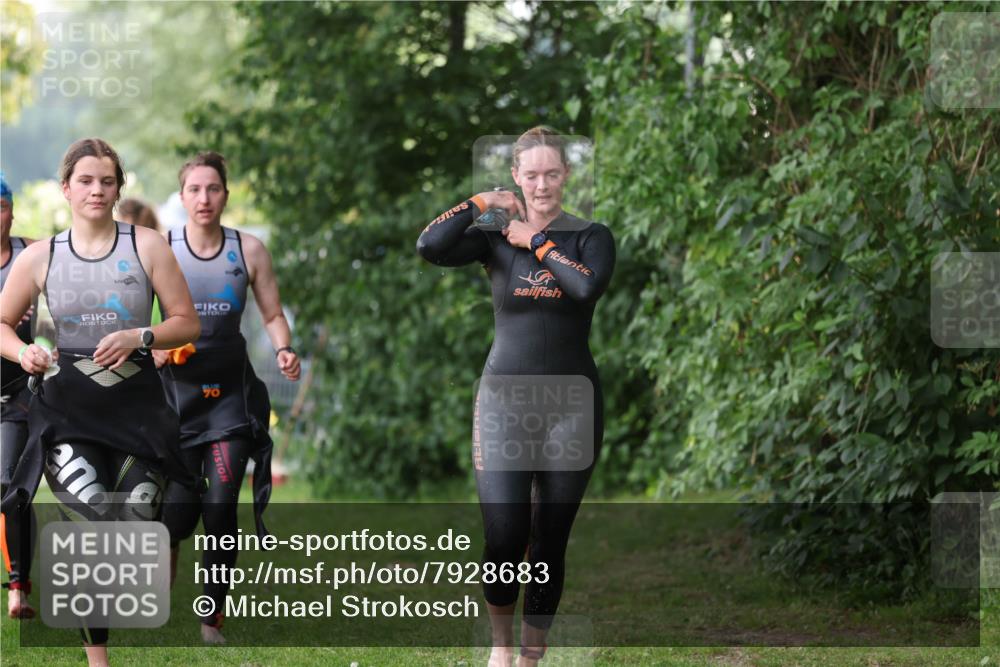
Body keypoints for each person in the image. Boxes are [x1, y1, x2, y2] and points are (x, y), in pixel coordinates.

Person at [416, 127, 615, 666]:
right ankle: (500, 647)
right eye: (532, 175)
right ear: (516, 177)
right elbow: (429, 246)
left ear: (566, 175)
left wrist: (538, 241)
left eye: (553, 173)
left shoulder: (591, 236)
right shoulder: (491, 235)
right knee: (505, 535)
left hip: (571, 406)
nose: (543, 184)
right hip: (504, 401)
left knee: (549, 538)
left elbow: (584, 287)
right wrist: (482, 203)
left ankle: (530, 657)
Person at [0, 138, 202, 667]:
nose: (97, 190)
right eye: (85, 181)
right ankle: (98, 660)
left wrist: (141, 337)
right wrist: (24, 352)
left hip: (140, 413)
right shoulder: (42, 256)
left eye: (107, 181)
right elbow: (0, 323)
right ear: (66, 188)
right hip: (68, 415)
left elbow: (187, 321)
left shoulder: (149, 246)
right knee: (92, 527)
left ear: (118, 187)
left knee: (135, 524)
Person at [157, 151, 300, 645]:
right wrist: (152, 347)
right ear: (182, 197)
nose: (204, 198)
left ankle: (210, 620)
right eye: (195, 190)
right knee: (175, 514)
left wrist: (284, 349)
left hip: (230, 402)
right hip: (175, 402)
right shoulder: (163, 248)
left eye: (213, 189)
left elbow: (273, 313)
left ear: (226, 194)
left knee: (220, 508)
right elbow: (138, 316)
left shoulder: (249, 250)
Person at [0, 174, 37, 619]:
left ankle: (18, 588)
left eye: (2, 207)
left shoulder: (33, 254)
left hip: (18, 394)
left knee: (12, 487)